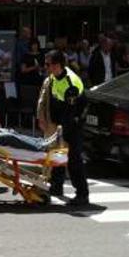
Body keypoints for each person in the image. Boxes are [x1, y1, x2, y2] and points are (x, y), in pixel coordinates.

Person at [44, 50, 89, 206]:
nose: (46, 67)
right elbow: (55, 101)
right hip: (62, 120)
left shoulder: (71, 82)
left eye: (49, 64)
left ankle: (82, 194)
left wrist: (64, 128)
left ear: (58, 65)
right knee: (58, 154)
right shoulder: (54, 77)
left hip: (74, 122)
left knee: (74, 159)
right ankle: (57, 186)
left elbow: (72, 110)